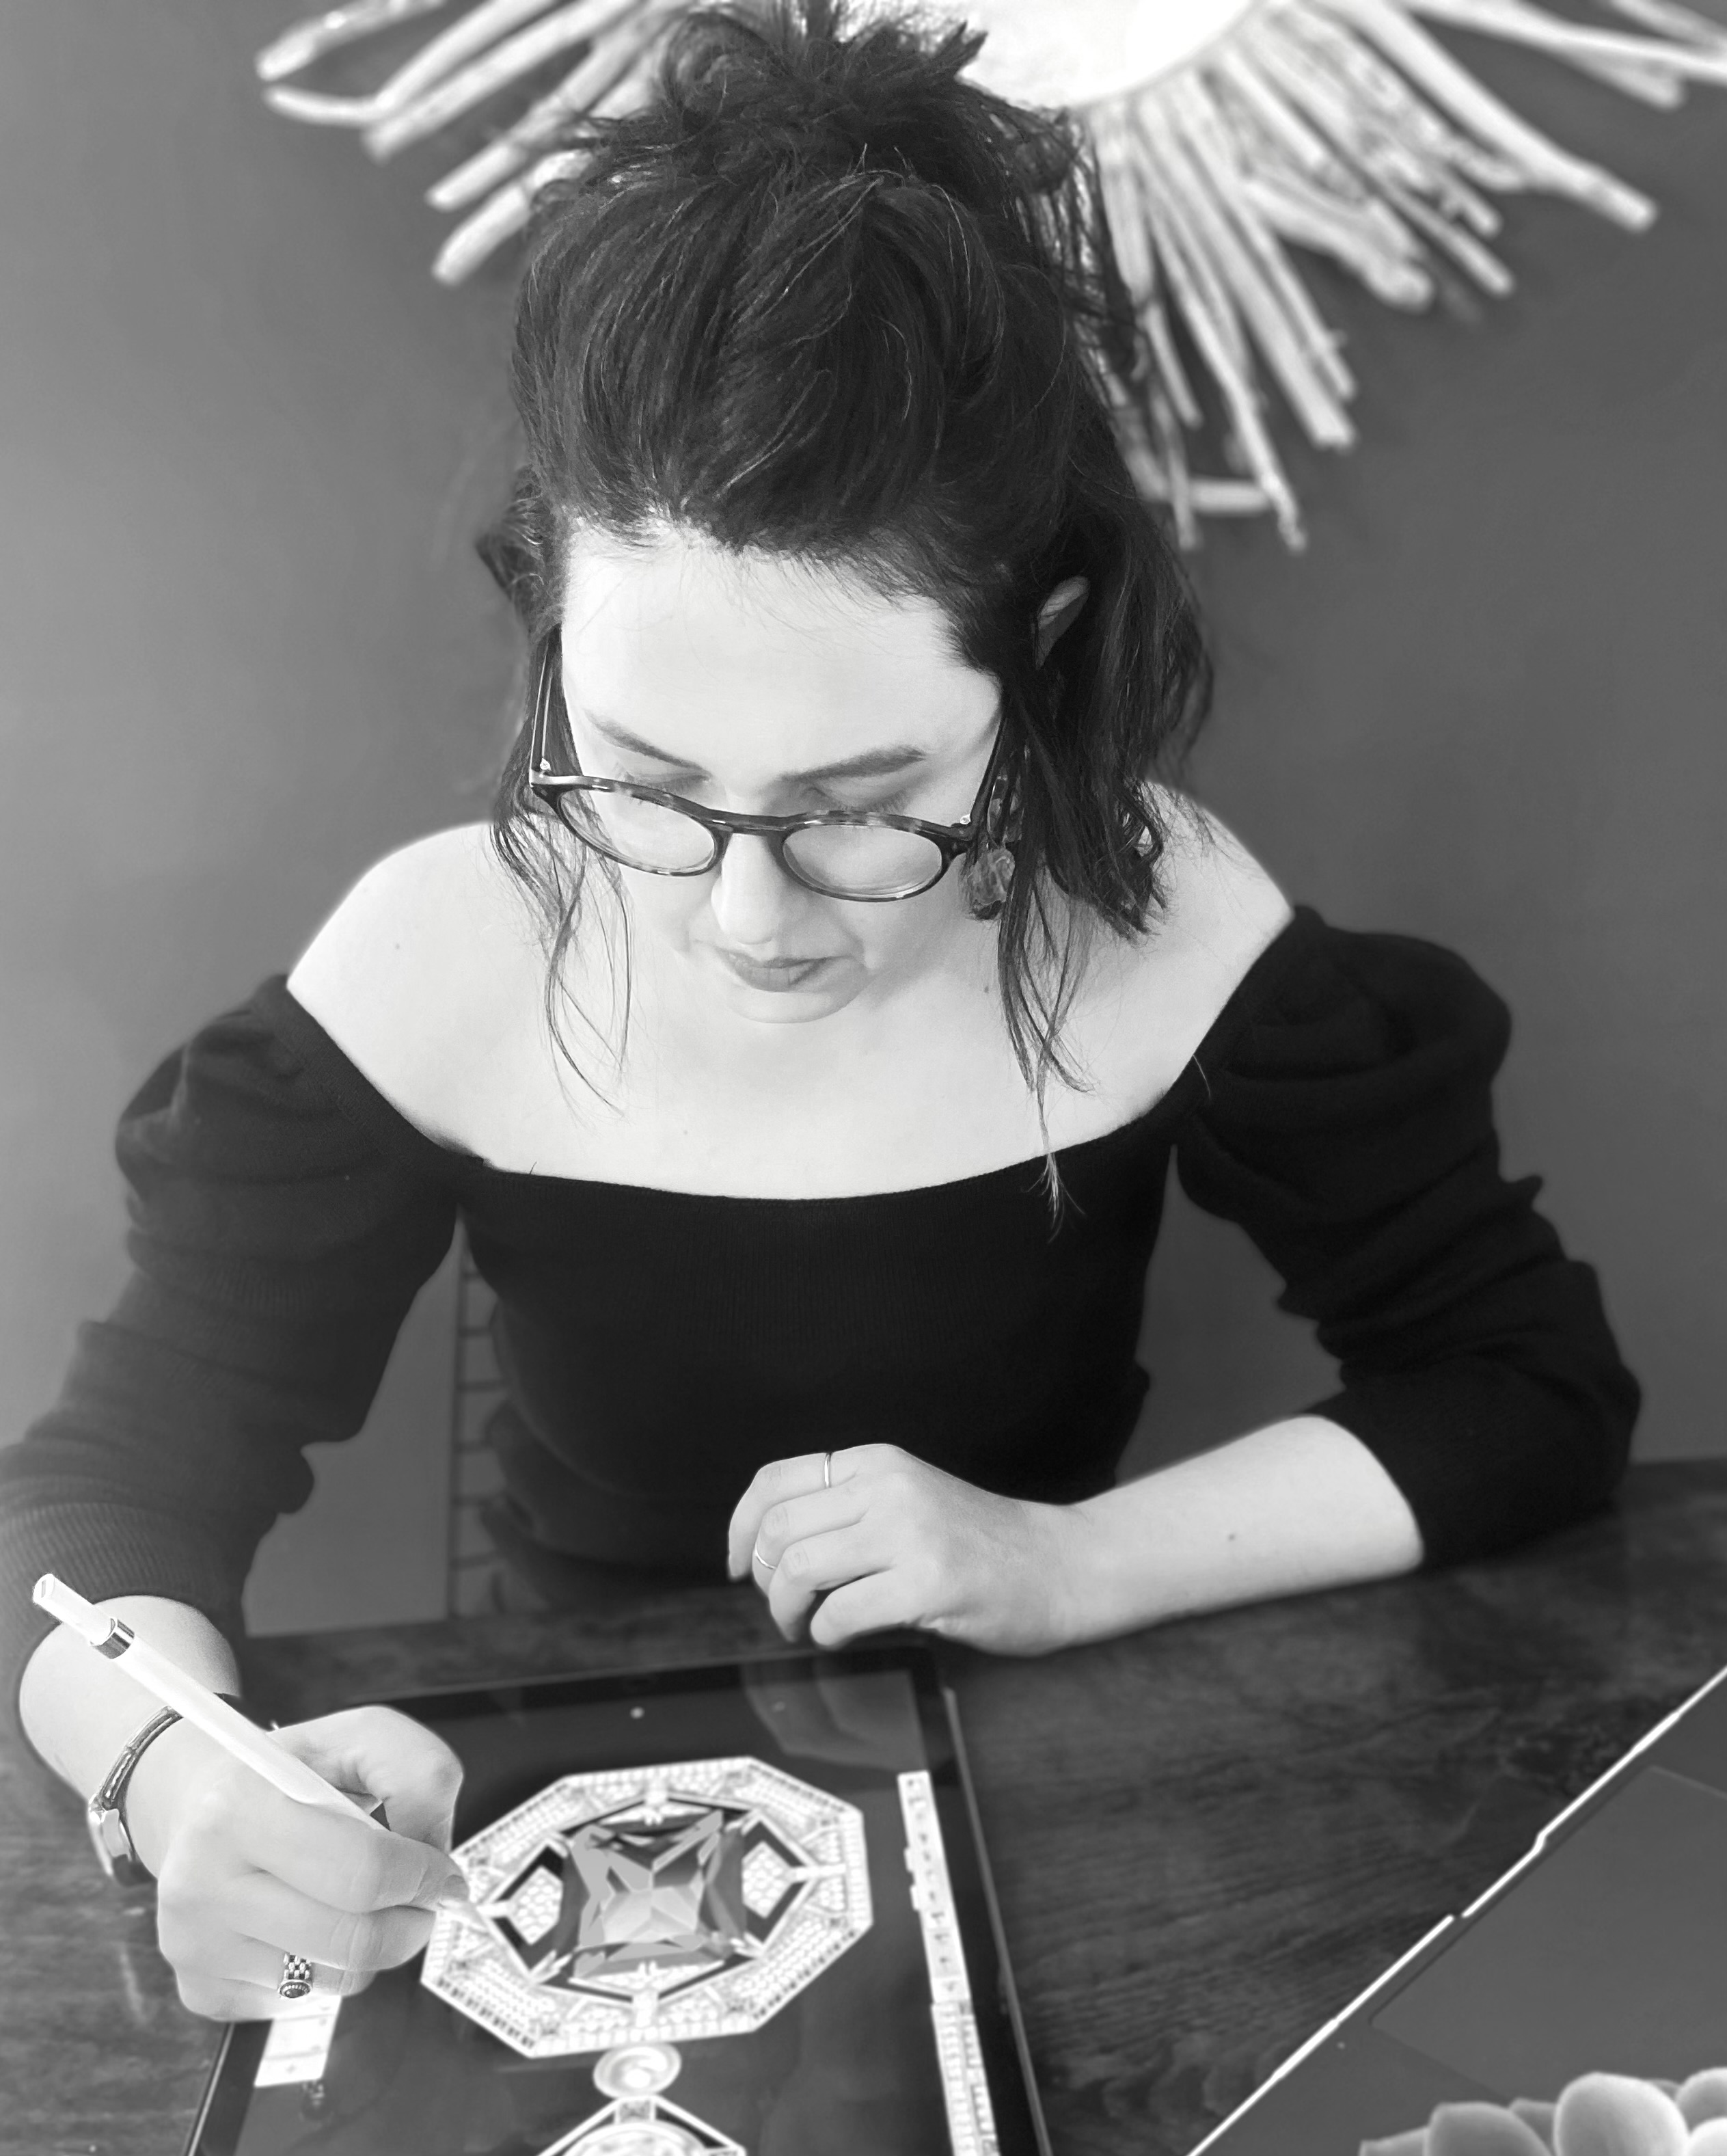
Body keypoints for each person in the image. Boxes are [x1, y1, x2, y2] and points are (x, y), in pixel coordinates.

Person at [2, 0, 1636, 2029]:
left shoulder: (1164, 916)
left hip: (1063, 1814)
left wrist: (1065, 1563)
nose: (746, 917)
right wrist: (174, 1777)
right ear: (551, 619)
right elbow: (107, 1490)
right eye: (646, 782)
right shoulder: (435, 956)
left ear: (1035, 662)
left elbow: (1524, 1389)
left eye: (866, 805)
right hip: (565, 1833)